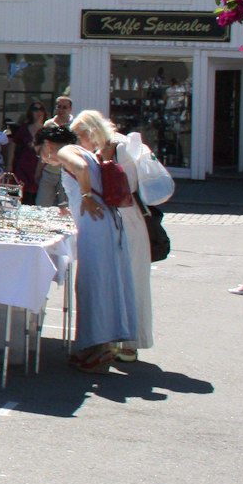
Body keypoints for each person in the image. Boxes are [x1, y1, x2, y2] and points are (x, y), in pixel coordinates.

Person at [36, 124, 138, 373]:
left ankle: (100, 348)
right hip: (104, 224)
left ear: (47, 145)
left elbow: (81, 170)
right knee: (100, 283)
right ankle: (96, 345)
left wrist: (86, 197)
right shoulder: (84, 151)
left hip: (96, 225)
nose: (42, 157)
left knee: (93, 285)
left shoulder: (66, 152)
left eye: (39, 150)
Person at [73, 109, 154, 360]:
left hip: (127, 218)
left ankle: (131, 342)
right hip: (118, 219)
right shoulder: (108, 147)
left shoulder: (119, 146)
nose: (78, 142)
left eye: (79, 136)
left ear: (89, 131)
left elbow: (126, 186)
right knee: (119, 280)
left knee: (132, 280)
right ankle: (118, 339)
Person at [6, 102, 49, 204]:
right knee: (20, 195)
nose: (38, 112)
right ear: (31, 112)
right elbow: (14, 144)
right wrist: (9, 164)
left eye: (41, 109)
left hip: (38, 166)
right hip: (23, 166)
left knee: (35, 197)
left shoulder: (46, 128)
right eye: (35, 109)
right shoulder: (25, 127)